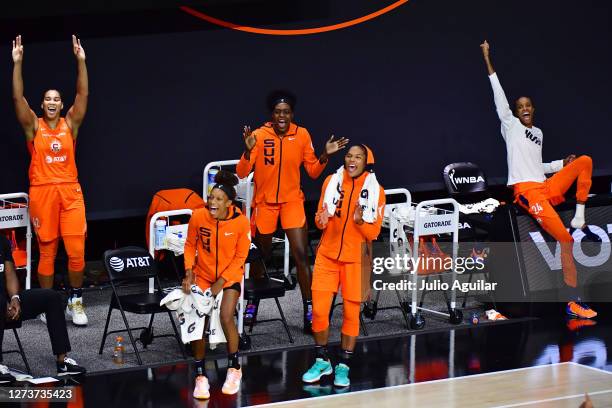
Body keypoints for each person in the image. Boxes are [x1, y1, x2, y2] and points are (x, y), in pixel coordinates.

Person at [480, 40, 598, 319]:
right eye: (519, 106)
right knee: (566, 239)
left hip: (545, 185)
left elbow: (538, 165)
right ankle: (573, 301)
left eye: (527, 105)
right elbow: (498, 94)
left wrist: (561, 164)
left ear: (533, 109)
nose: (523, 108)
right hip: (527, 193)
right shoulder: (510, 126)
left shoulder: (539, 133)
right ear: (515, 111)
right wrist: (487, 58)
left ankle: (580, 210)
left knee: (585, 161)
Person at [236, 90, 348, 333]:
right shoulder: (258, 134)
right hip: (265, 204)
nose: (282, 116)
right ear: (272, 114)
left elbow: (313, 172)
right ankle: (252, 304)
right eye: (278, 112)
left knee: (301, 253)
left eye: (286, 112)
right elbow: (242, 172)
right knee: (260, 255)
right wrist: (247, 152)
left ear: (292, 114)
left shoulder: (302, 134)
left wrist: (324, 156)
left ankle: (310, 310)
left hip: (291, 202)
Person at [11, 35, 89, 325]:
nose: (52, 102)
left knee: (77, 251)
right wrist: (17, 64)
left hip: (70, 191)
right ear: (42, 105)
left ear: (61, 104)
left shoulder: (71, 124)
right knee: (47, 251)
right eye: (48, 99)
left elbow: (83, 96)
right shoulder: (34, 126)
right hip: (43, 192)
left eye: (57, 99)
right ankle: (46, 303)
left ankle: (76, 301)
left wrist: (81, 61)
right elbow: (17, 99)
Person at [302, 145, 385, 388]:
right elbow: (319, 219)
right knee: (318, 312)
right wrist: (321, 219)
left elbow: (374, 231)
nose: (352, 160)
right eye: (349, 155)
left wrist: (360, 221)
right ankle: (322, 360)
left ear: (366, 162)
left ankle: (343, 366)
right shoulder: (331, 181)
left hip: (356, 260)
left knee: (350, 315)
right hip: (327, 256)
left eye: (358, 157)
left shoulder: (376, 191)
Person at [182, 170, 251, 399]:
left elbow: (240, 258)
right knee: (198, 321)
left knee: (225, 316)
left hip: (229, 277)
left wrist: (220, 283)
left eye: (219, 199)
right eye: (211, 197)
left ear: (229, 203)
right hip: (202, 275)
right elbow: (190, 245)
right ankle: (200, 376)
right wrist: (189, 271)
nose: (213, 202)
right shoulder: (198, 216)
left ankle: (234, 368)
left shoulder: (241, 222)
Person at [0, 235, 86, 383]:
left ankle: (62, 361)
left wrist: (14, 298)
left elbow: (10, 273)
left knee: (51, 297)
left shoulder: (1, 241)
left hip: (5, 303)